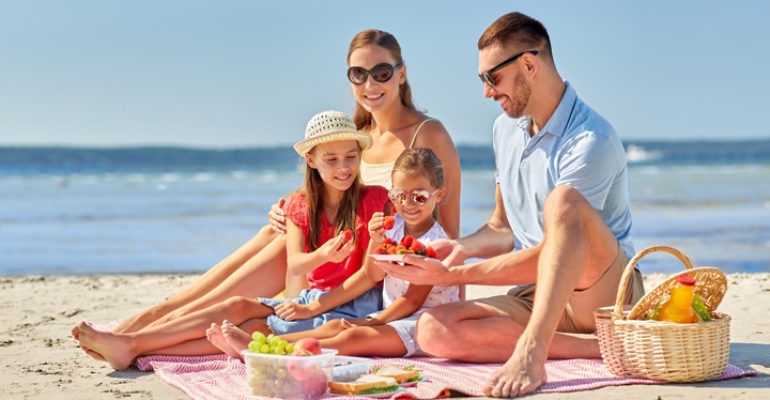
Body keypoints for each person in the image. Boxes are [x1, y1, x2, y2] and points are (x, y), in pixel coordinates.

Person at [103, 29, 461, 337]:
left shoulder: (427, 134)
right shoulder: (357, 134)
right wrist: (292, 207)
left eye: (381, 72)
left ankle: (169, 321)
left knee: (281, 246)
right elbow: (332, 190)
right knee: (274, 231)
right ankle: (166, 313)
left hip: (378, 271)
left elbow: (445, 231)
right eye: (358, 73)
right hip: (340, 253)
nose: (370, 84)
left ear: (401, 74)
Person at [374, 12, 645, 398]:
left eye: (492, 78)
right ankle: (597, 347)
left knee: (563, 202)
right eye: (482, 79)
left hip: (600, 294)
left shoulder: (590, 140)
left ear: (529, 64)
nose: (486, 91)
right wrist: (458, 251)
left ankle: (533, 351)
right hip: (535, 292)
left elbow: (561, 252)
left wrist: (455, 278)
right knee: (432, 329)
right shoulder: (505, 129)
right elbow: (503, 228)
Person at [72, 110, 390, 370]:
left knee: (250, 330)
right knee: (235, 306)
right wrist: (322, 257)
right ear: (312, 160)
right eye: (331, 160)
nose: (344, 167)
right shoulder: (299, 203)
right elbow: (295, 263)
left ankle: (133, 346)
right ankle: (135, 341)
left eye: (351, 157)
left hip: (350, 304)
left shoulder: (375, 199)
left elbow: (369, 277)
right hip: (311, 299)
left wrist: (314, 304)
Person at [207, 148, 459, 358]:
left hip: (423, 324)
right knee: (335, 326)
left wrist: (374, 321)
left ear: (439, 195)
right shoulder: (395, 228)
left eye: (419, 197)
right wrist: (376, 240)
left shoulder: (436, 243)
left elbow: (412, 301)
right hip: (393, 317)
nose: (407, 204)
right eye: (399, 196)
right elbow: (372, 273)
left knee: (351, 335)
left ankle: (263, 353)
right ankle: (262, 346)